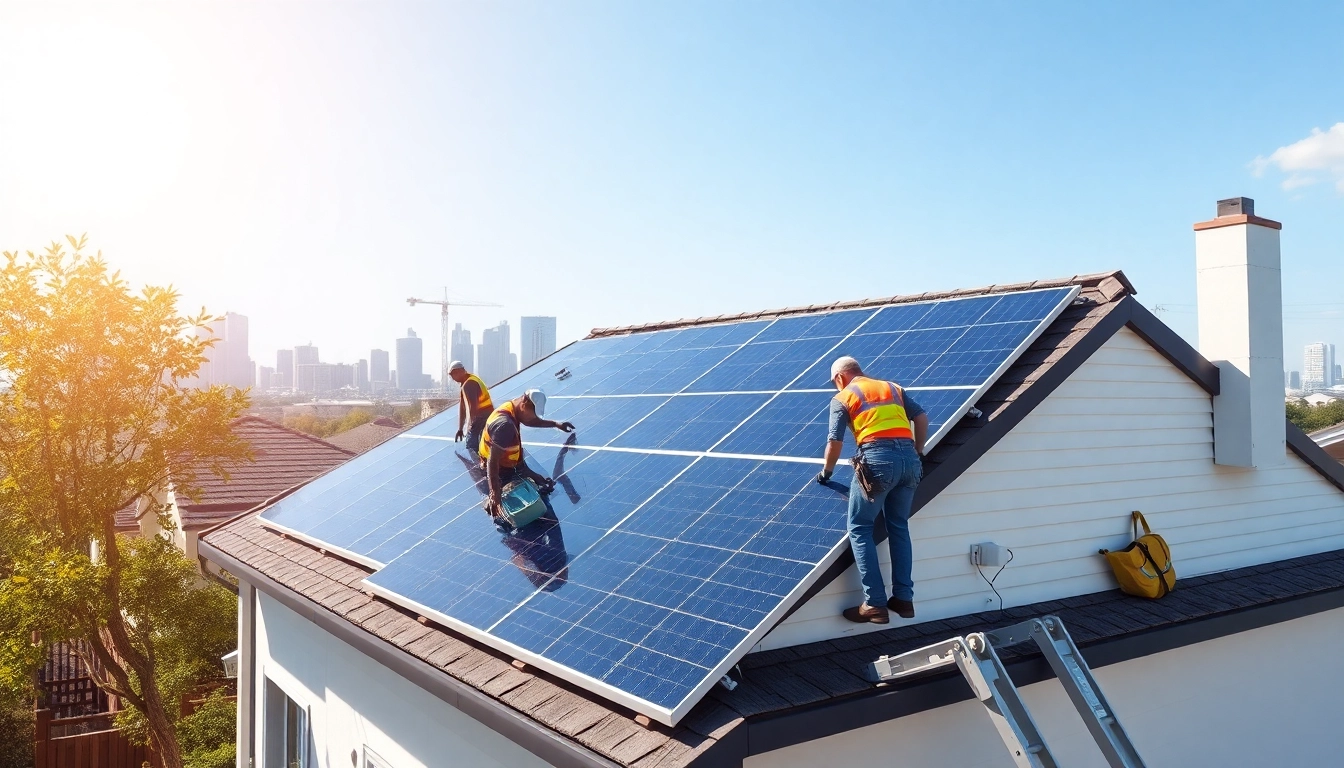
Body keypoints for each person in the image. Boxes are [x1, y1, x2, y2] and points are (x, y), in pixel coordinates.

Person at [817, 356, 928, 624]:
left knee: (860, 527)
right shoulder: (892, 388)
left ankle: (875, 603)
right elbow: (921, 417)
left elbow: (835, 441)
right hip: (910, 462)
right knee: (899, 526)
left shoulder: (844, 396)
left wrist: (826, 473)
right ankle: (904, 598)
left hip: (877, 459)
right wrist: (917, 450)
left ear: (840, 378)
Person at [478, 389, 576, 517]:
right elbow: (493, 460)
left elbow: (529, 420)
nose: (534, 417)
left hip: (510, 464)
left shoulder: (512, 407)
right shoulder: (505, 426)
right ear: (524, 404)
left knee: (539, 482)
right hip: (500, 470)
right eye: (533, 413)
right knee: (515, 509)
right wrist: (494, 492)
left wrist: (556, 424)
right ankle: (492, 504)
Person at [450, 361, 493, 452]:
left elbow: (473, 407)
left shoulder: (469, 384)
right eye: (451, 375)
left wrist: (470, 427)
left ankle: (480, 464)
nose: (453, 377)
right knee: (479, 446)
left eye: (454, 374)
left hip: (481, 419)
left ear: (461, 371)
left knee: (471, 446)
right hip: (485, 417)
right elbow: (462, 408)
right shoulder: (468, 381)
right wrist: (460, 429)